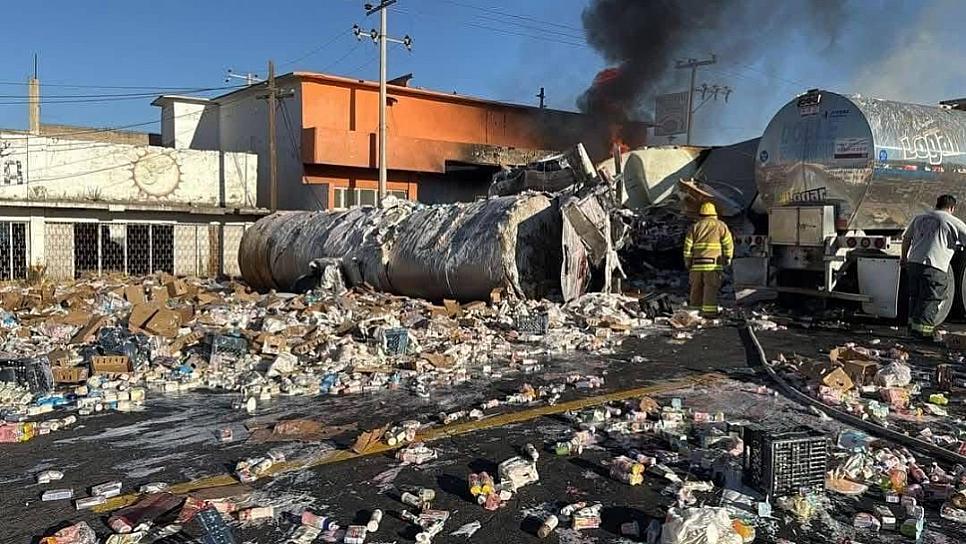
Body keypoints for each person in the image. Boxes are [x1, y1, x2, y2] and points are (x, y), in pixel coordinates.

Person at [901, 194, 966, 338]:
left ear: (937, 204)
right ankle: (923, 334)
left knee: (915, 297)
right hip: (934, 267)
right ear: (952, 208)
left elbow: (906, 238)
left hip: (914, 264)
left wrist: (903, 258)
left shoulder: (919, 218)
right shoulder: (953, 221)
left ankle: (912, 331)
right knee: (930, 299)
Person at [683, 201, 734, 317]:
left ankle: (693, 313)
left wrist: (687, 260)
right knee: (710, 288)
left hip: (696, 265)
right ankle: (709, 312)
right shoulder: (720, 226)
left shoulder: (695, 227)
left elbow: (687, 246)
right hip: (713, 264)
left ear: (701, 214)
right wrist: (727, 258)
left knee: (696, 289)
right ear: (714, 214)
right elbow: (728, 244)